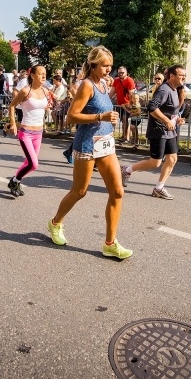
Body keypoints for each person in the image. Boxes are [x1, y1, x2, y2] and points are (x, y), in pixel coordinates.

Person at [47, 46, 131, 259]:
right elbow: (71, 117)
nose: (108, 69)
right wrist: (100, 117)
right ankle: (55, 223)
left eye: (110, 65)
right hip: (86, 145)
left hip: (106, 143)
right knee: (80, 191)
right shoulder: (86, 85)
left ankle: (110, 243)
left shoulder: (103, 83)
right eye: (105, 65)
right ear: (93, 65)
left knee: (118, 191)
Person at [120, 64, 187, 200]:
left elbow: (169, 111)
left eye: (184, 75)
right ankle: (126, 170)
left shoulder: (175, 89)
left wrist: (176, 120)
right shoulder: (164, 89)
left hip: (170, 130)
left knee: (172, 159)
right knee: (155, 163)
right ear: (172, 76)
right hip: (158, 130)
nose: (184, 78)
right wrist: (166, 121)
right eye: (181, 75)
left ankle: (159, 188)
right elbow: (152, 107)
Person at [7, 65, 50, 197]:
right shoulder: (26, 91)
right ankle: (15, 181)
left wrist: (48, 107)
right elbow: (12, 106)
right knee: (34, 164)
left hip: (39, 133)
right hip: (26, 132)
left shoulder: (45, 91)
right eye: (40, 73)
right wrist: (13, 123)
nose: (44, 76)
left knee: (29, 163)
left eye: (45, 74)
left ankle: (15, 181)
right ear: (32, 75)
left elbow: (43, 107)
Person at [110, 66, 136, 144]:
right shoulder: (116, 81)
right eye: (119, 73)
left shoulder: (129, 80)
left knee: (125, 120)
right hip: (120, 105)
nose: (120, 74)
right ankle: (124, 136)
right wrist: (107, 99)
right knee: (123, 121)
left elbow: (131, 94)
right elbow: (112, 91)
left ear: (126, 73)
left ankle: (126, 137)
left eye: (122, 72)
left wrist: (130, 104)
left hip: (127, 105)